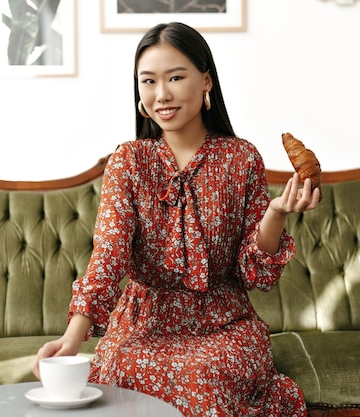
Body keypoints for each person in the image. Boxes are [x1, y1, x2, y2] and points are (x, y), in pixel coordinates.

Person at [32, 22, 320, 417]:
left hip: (223, 324)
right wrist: (72, 339)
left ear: (206, 81)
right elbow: (108, 256)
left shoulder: (242, 159)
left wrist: (276, 213)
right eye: (148, 81)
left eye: (176, 77)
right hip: (142, 326)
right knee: (123, 373)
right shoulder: (129, 162)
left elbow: (256, 277)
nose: (161, 94)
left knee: (203, 374)